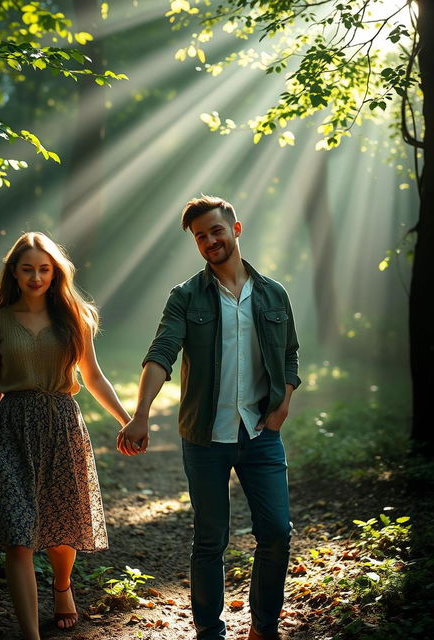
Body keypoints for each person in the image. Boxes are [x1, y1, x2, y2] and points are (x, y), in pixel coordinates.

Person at [117, 196, 301, 640]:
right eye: (200, 236)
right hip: (204, 437)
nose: (209, 241)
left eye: (215, 231)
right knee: (210, 539)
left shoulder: (274, 293)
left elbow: (290, 353)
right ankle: (208, 631)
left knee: (276, 532)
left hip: (260, 433)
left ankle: (264, 626)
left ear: (235, 230)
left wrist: (285, 400)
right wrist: (140, 414)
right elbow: (161, 353)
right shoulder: (185, 297)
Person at [0, 232, 130, 640]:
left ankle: (62, 586)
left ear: (55, 272)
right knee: (17, 534)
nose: (36, 277)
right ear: (14, 271)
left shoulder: (72, 318)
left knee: (63, 525)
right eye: (27, 269)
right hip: (10, 427)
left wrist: (126, 419)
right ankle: (30, 634)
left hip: (62, 422)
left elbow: (93, 377)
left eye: (44, 269)